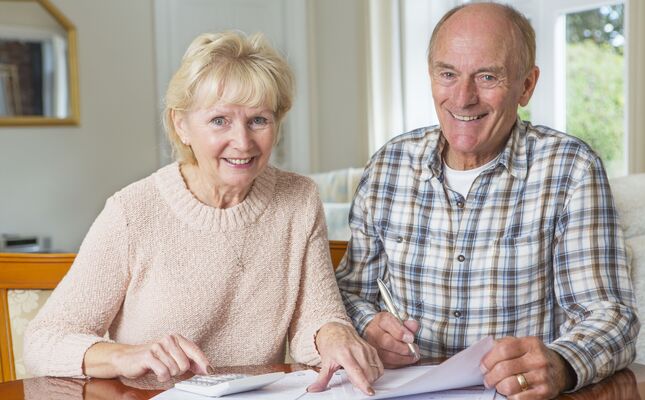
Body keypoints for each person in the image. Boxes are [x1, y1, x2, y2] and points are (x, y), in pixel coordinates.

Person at [24, 31, 382, 396]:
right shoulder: (133, 212)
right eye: (219, 121)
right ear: (182, 125)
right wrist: (126, 356)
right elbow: (44, 341)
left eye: (258, 120)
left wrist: (335, 333)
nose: (242, 142)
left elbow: (316, 318)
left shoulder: (299, 199)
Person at [335, 3, 639, 399]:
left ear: (526, 86)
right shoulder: (387, 166)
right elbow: (349, 292)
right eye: (448, 74)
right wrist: (368, 325)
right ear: (431, 77)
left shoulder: (571, 169)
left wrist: (560, 364)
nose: (463, 98)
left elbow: (610, 317)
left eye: (487, 76)